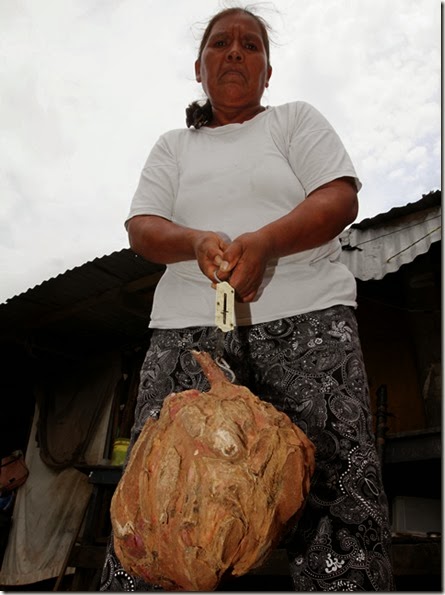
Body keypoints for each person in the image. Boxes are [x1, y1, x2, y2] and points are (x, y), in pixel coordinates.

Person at [100, 6, 394, 592]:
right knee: (159, 498)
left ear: (267, 70)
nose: (235, 52)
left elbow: (337, 198)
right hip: (189, 326)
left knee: (335, 495)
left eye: (251, 45)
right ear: (198, 66)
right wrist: (195, 242)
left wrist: (265, 242)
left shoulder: (293, 122)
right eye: (221, 43)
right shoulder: (173, 147)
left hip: (308, 321)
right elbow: (142, 229)